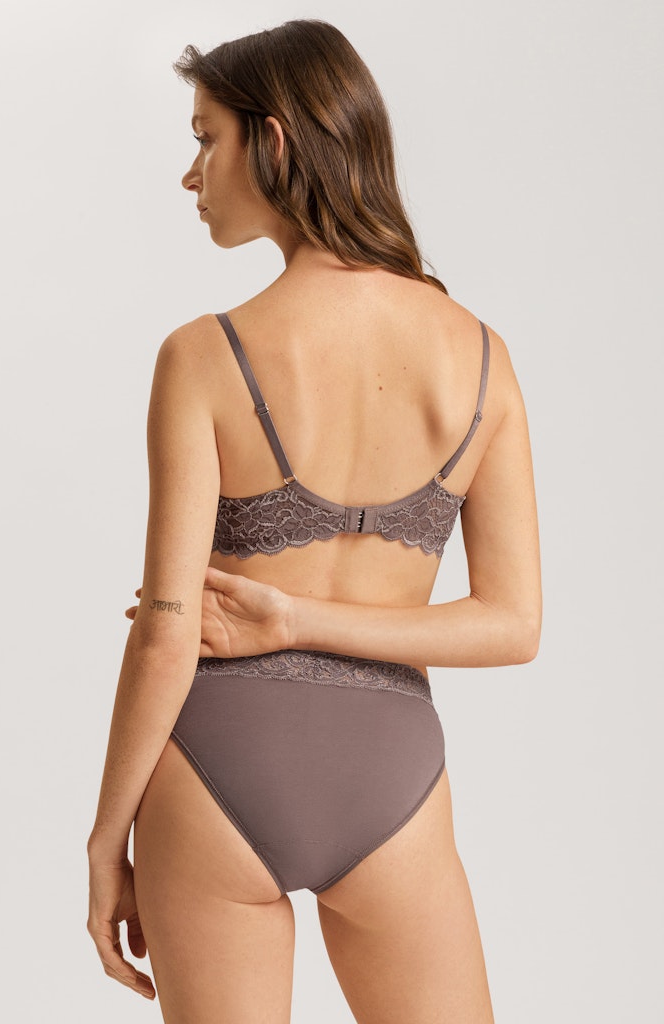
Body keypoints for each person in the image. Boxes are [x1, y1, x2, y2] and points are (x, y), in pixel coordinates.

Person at [86, 19, 541, 1023]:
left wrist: (105, 840)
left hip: (213, 770)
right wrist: (310, 623)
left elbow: (165, 632)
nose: (191, 173)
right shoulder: (480, 358)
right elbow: (514, 624)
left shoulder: (203, 356)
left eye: (206, 139)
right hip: (393, 777)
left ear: (275, 141)